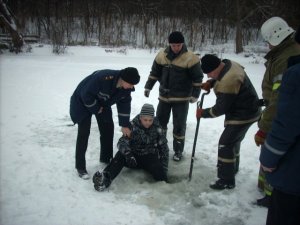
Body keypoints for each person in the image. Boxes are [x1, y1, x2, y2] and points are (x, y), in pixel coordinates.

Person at [254, 17, 300, 207]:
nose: (267, 45)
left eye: (268, 41)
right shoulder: (283, 53)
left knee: (274, 154)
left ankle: (272, 196)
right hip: (277, 113)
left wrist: (264, 127)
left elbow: (279, 99)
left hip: (279, 118)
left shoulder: (286, 59)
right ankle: (267, 190)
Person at [197, 54, 261, 190]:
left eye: (209, 74)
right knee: (233, 141)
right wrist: (212, 83)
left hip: (243, 115)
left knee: (225, 144)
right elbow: (220, 75)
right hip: (248, 109)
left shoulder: (229, 81)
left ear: (215, 68)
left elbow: (220, 108)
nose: (208, 76)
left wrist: (203, 113)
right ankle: (232, 168)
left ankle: (226, 180)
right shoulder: (228, 63)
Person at [70, 67, 140, 179]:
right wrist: (96, 108)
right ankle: (80, 167)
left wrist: (124, 125)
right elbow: (85, 94)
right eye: (131, 84)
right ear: (123, 79)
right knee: (84, 132)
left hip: (103, 103)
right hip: (81, 102)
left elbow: (124, 106)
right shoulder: (103, 78)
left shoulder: (126, 89)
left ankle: (106, 158)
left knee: (108, 128)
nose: (132, 87)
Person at [144, 31, 203, 161]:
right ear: (169, 44)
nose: (176, 48)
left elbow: (198, 78)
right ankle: (160, 146)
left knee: (179, 125)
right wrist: (148, 86)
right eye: (173, 45)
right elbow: (154, 73)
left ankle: (178, 151)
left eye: (178, 45)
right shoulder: (161, 55)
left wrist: (195, 95)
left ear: (182, 44)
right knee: (160, 124)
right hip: (164, 97)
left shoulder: (191, 58)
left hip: (182, 99)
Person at [92, 103, 169, 191]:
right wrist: (128, 155)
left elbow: (164, 148)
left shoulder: (157, 127)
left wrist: (164, 170)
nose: (148, 122)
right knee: (119, 156)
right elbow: (121, 142)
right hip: (133, 158)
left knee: (159, 172)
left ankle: (164, 184)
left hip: (149, 157)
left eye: (150, 120)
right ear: (140, 117)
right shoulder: (132, 126)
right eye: (145, 120)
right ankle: (105, 178)